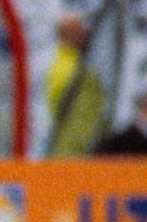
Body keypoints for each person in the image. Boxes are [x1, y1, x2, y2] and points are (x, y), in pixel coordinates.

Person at [44, 13, 107, 157]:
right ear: (69, 35)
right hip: (75, 151)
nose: (86, 35)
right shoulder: (72, 71)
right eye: (81, 32)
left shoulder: (68, 64)